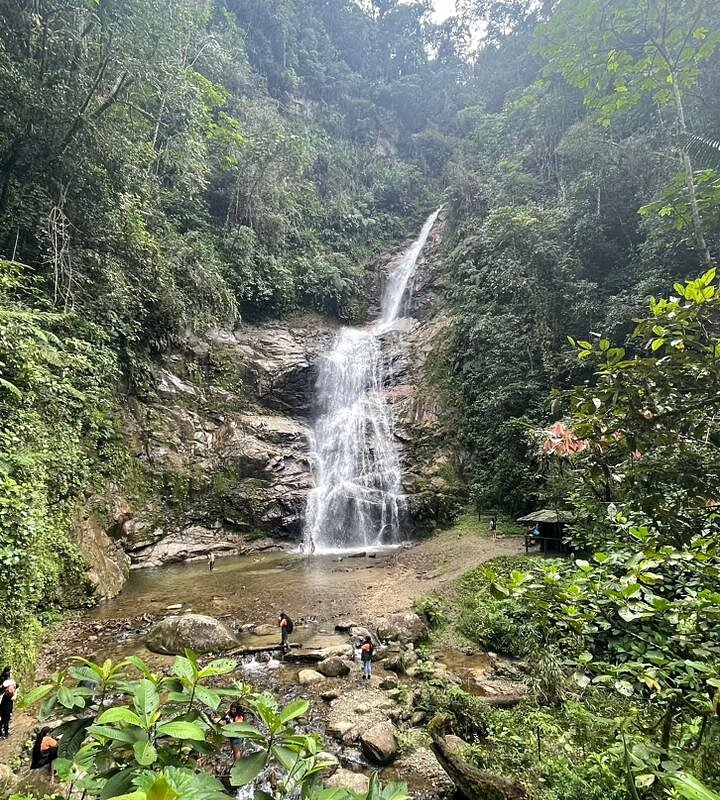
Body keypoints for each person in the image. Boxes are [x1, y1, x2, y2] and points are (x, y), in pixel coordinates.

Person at [0, 666, 17, 738]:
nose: (12, 673)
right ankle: (6, 734)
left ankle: (2, 732)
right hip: (6, 704)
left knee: (2, 718)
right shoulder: (8, 683)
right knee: (6, 718)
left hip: (4, 703)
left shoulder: (4, 684)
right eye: (11, 672)